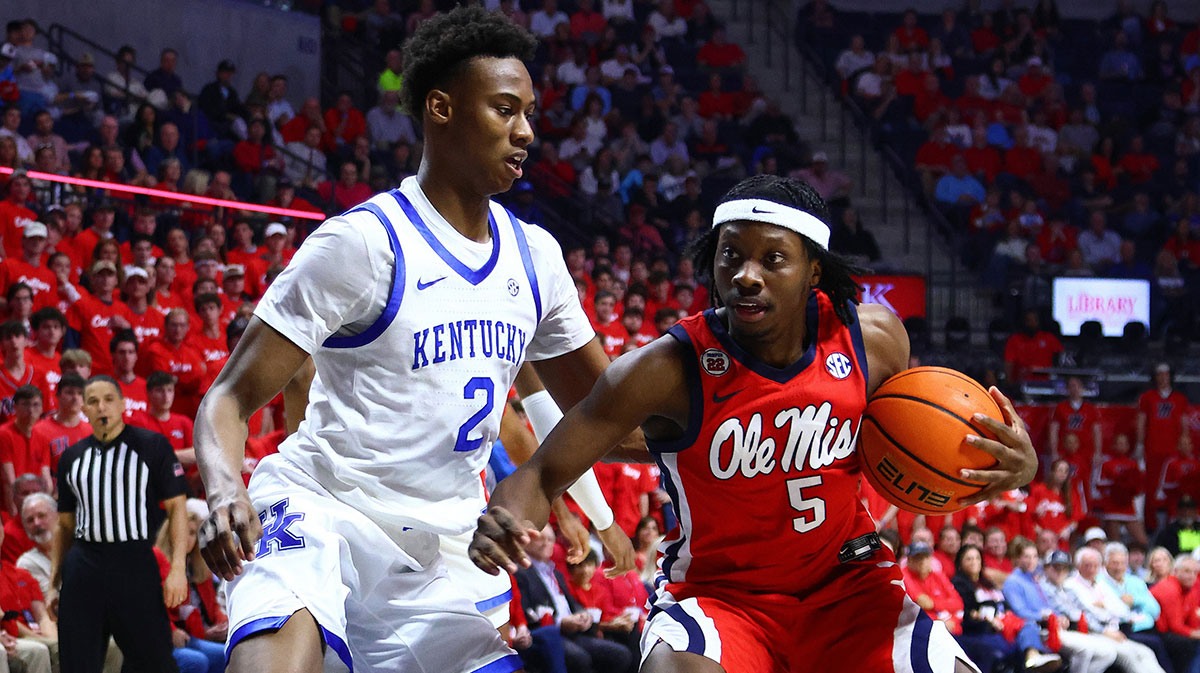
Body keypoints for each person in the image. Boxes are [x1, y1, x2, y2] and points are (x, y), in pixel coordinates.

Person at [195, 8, 631, 673]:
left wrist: (733, 396)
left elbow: (611, 414)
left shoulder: (535, 258)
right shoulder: (364, 244)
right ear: (441, 108)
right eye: (506, 110)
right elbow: (229, 395)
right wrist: (227, 487)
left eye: (529, 114)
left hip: (447, 547)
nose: (526, 132)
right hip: (326, 510)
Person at [471, 174, 1040, 673]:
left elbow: (922, 444)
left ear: (814, 269)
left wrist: (1012, 466)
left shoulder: (876, 340)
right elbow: (544, 473)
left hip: (849, 590)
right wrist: (505, 516)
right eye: (730, 255)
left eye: (772, 258)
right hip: (721, 598)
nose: (745, 275)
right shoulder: (665, 368)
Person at [54, 375, 190, 673]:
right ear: (84, 410)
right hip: (83, 566)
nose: (101, 407)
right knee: (77, 664)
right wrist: (55, 584)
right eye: (92, 401)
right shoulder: (70, 458)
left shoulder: (152, 446)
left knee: (155, 664)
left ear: (123, 404)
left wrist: (178, 568)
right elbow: (64, 526)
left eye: (108, 399)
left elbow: (177, 507)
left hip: (134, 561)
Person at [1064, 547, 1166, 672]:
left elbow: (1122, 610)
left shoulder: (1099, 585)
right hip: (1094, 631)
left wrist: (1105, 605)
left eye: (1095, 565)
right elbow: (1089, 613)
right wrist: (1105, 625)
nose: (1091, 569)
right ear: (1078, 566)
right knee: (1129, 655)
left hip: (1113, 629)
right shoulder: (1071, 585)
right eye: (1087, 565)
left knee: (1146, 653)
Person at [1037, 550, 1121, 673]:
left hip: (1074, 630)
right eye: (1056, 567)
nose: (1060, 571)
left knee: (1109, 653)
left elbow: (1085, 611)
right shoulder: (1043, 588)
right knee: (1086, 650)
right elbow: (1072, 614)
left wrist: (1104, 628)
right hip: (1051, 631)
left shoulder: (1066, 589)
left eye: (1064, 568)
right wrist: (1102, 630)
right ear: (1046, 568)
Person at [30, 372, 90, 478]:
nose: (75, 397)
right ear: (58, 395)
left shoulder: (91, 431)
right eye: (70, 393)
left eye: (80, 393)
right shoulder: (39, 430)